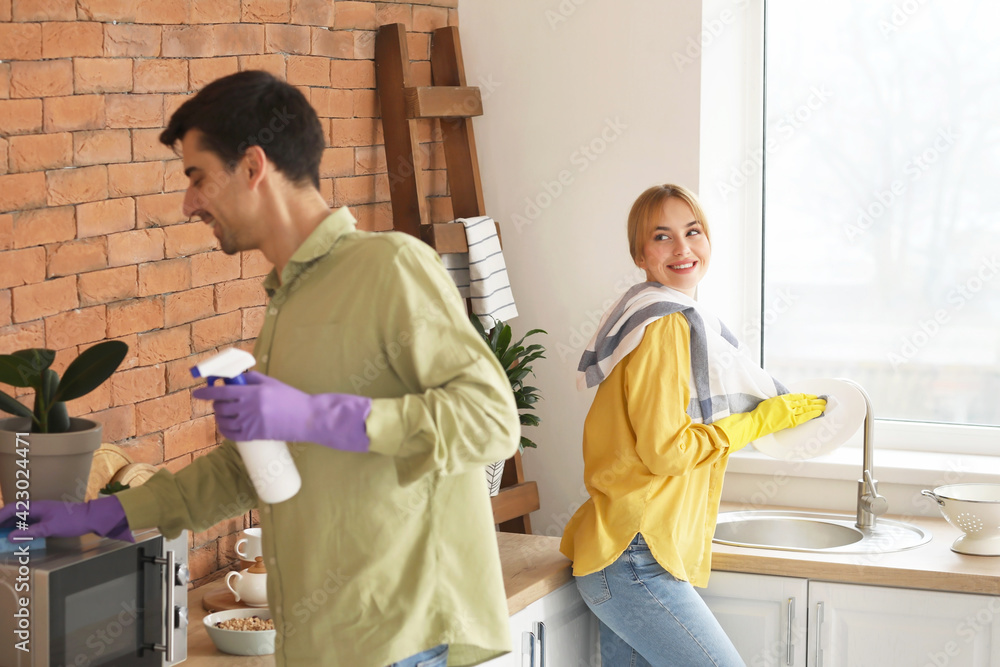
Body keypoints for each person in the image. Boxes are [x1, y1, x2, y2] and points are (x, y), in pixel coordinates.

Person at [0, 71, 521, 667]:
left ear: (252, 165)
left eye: (197, 176)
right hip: (323, 645)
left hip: (402, 641)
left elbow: (491, 420)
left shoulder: (392, 267)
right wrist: (100, 514)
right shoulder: (286, 300)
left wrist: (312, 414)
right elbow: (254, 464)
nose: (188, 202)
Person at [561, 183, 826, 666]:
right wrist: (761, 419)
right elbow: (669, 452)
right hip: (634, 561)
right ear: (640, 253)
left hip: (625, 559)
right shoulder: (664, 325)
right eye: (662, 237)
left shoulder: (649, 313)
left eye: (693, 231)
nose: (682, 248)